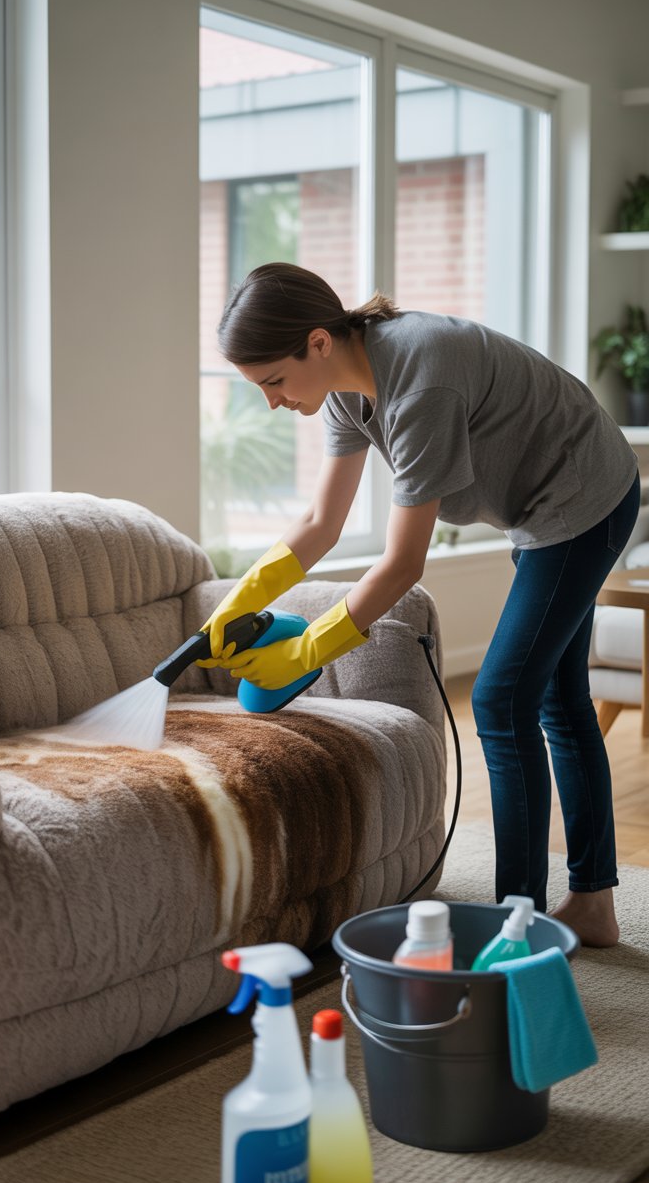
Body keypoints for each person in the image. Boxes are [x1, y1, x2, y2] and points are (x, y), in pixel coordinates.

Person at [198, 262, 640, 947]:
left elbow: (403, 562)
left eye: (274, 383)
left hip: (583, 497)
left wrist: (310, 648)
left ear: (317, 342)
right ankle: (592, 903)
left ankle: (512, 929)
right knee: (555, 696)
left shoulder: (420, 380)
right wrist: (239, 599)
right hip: (540, 508)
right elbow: (321, 520)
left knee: (499, 700)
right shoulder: (346, 389)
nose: (273, 403)